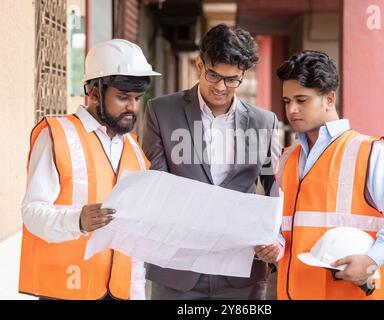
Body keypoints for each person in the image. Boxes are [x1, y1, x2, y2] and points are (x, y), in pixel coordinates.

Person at [141, 23, 281, 300]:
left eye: (232, 80)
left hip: (240, 270)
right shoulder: (161, 111)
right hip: (177, 269)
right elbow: (155, 184)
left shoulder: (264, 122)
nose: (220, 86)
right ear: (199, 64)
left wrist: (276, 238)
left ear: (243, 75)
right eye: (213, 74)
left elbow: (275, 188)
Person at [270, 51, 384, 300]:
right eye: (287, 101)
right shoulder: (286, 159)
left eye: (301, 100)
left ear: (329, 99)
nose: (292, 109)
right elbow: (279, 227)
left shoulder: (369, 152)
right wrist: (271, 245)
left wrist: (373, 259)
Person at [19, 39, 160, 300]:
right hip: (65, 289)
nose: (132, 107)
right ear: (94, 92)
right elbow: (32, 212)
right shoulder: (56, 135)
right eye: (122, 97)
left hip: (119, 291)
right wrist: (78, 221)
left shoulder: (133, 149)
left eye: (137, 98)